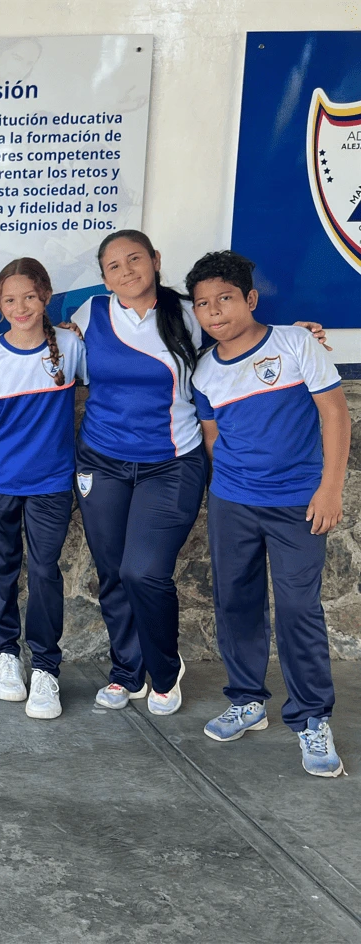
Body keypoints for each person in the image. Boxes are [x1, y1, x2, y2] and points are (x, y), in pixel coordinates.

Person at [67, 230, 329, 717]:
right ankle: (127, 671)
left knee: (142, 570)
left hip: (171, 462)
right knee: (113, 571)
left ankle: (165, 670)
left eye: (134, 259)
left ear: (155, 260)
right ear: (103, 278)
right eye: (113, 266)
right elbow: (44, 344)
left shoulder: (191, 312)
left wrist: (297, 335)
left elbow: (243, 335)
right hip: (101, 460)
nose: (126, 271)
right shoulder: (90, 313)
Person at [187, 250, 350, 777]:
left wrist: (330, 489)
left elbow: (335, 414)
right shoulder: (204, 371)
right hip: (233, 503)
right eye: (203, 304)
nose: (214, 311)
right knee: (236, 602)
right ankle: (247, 700)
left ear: (251, 299)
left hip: (298, 502)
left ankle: (311, 717)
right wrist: (232, 489)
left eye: (225, 299)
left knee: (299, 608)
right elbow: (213, 439)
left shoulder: (296, 343)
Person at [0, 259, 85, 720]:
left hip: (51, 484)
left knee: (43, 572)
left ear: (46, 297)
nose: (20, 307)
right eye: (10, 300)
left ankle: (46, 669)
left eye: (30, 297)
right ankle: (6, 656)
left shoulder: (71, 347)